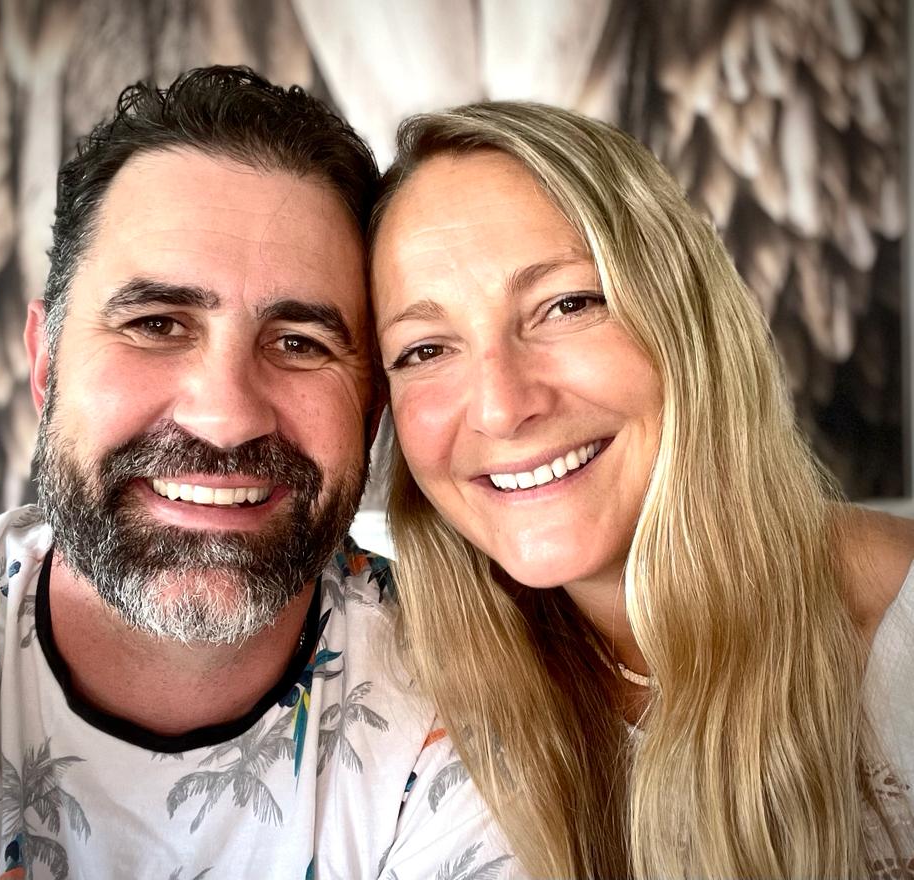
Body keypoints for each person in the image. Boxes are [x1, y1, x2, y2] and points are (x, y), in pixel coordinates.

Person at [0, 67, 520, 880]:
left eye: (299, 342)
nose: (226, 416)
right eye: (156, 324)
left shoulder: (476, 693)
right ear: (46, 365)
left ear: (371, 409)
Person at [369, 101, 914, 879]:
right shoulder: (404, 692)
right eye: (425, 349)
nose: (500, 407)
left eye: (566, 305)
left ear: (683, 315)